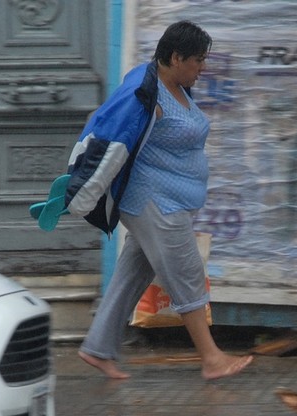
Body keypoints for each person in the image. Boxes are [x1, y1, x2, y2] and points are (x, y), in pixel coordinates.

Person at [69, 20, 253, 380]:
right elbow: (110, 135)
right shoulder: (144, 92)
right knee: (187, 276)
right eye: (197, 60)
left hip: (170, 201)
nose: (202, 68)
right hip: (154, 202)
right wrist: (85, 193)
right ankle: (212, 359)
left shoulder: (174, 85)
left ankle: (97, 348)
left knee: (130, 275)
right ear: (175, 57)